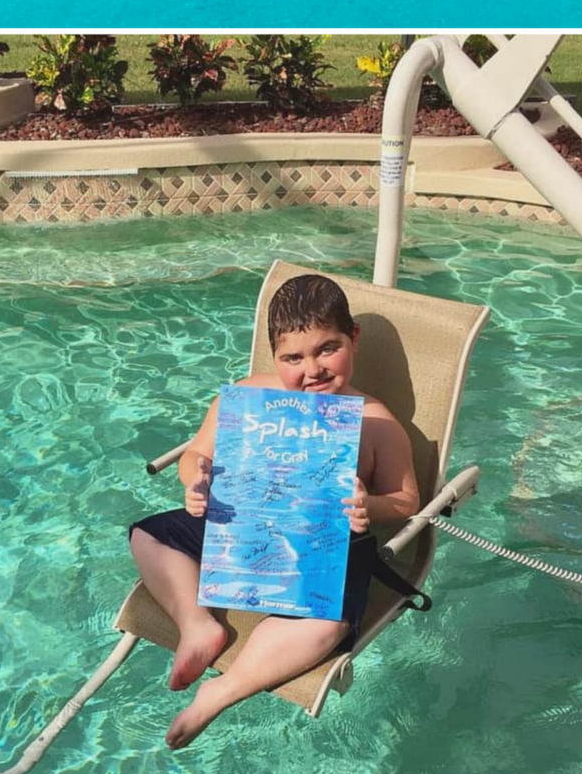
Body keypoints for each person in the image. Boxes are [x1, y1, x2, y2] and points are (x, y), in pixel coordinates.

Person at [128, 274, 420, 749]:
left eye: (329, 349)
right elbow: (195, 455)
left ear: (354, 339)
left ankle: (224, 689)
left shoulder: (377, 423)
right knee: (147, 536)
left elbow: (407, 499)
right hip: (241, 528)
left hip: (321, 546)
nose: (314, 370)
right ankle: (197, 625)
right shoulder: (246, 397)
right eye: (293, 358)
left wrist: (369, 504)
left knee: (328, 625)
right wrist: (196, 483)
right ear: (273, 357)